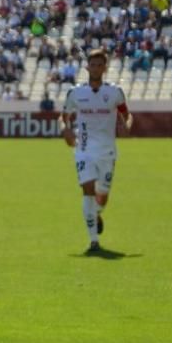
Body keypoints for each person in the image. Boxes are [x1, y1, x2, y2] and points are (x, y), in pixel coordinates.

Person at [60, 48, 132, 253]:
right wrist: (65, 129)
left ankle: (96, 213)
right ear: (87, 67)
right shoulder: (75, 93)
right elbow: (63, 116)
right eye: (93, 64)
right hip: (83, 150)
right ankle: (93, 242)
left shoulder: (114, 92)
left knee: (103, 195)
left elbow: (127, 114)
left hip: (107, 151)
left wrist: (127, 125)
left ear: (105, 68)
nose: (96, 68)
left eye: (100, 65)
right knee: (87, 191)